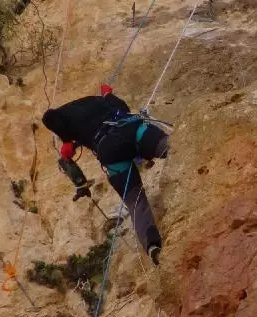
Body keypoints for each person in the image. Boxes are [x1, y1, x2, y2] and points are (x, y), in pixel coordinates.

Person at [41, 84, 168, 265]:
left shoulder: (63, 117)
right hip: (132, 130)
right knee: (172, 148)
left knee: (135, 201)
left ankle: (153, 247)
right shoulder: (102, 100)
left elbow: (48, 117)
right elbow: (123, 108)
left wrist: (67, 141)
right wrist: (108, 94)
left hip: (110, 151)